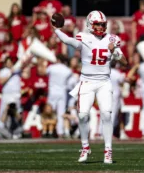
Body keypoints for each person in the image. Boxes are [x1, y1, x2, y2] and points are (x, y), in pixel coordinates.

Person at [53, 10, 127, 163]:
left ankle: (108, 151)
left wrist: (115, 53)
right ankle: (85, 147)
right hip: (86, 81)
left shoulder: (112, 39)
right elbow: (68, 41)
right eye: (97, 24)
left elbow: (125, 61)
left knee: (107, 115)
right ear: (89, 25)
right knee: (82, 115)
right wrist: (56, 30)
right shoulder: (83, 37)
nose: (100, 27)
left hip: (104, 82)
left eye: (102, 24)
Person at [46, 54, 73, 138]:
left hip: (52, 92)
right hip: (62, 93)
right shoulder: (68, 70)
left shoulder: (51, 67)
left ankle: (48, 131)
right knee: (60, 113)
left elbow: (44, 73)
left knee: (49, 112)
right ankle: (60, 132)